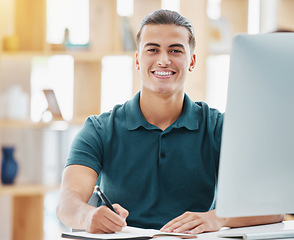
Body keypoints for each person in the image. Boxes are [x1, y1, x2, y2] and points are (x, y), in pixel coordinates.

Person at [56, 9, 284, 235]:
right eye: (152, 50)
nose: (163, 60)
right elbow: (67, 203)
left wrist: (218, 217)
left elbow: (273, 208)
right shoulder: (99, 129)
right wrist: (87, 215)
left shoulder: (219, 128)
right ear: (137, 59)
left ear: (191, 61)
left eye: (175, 50)